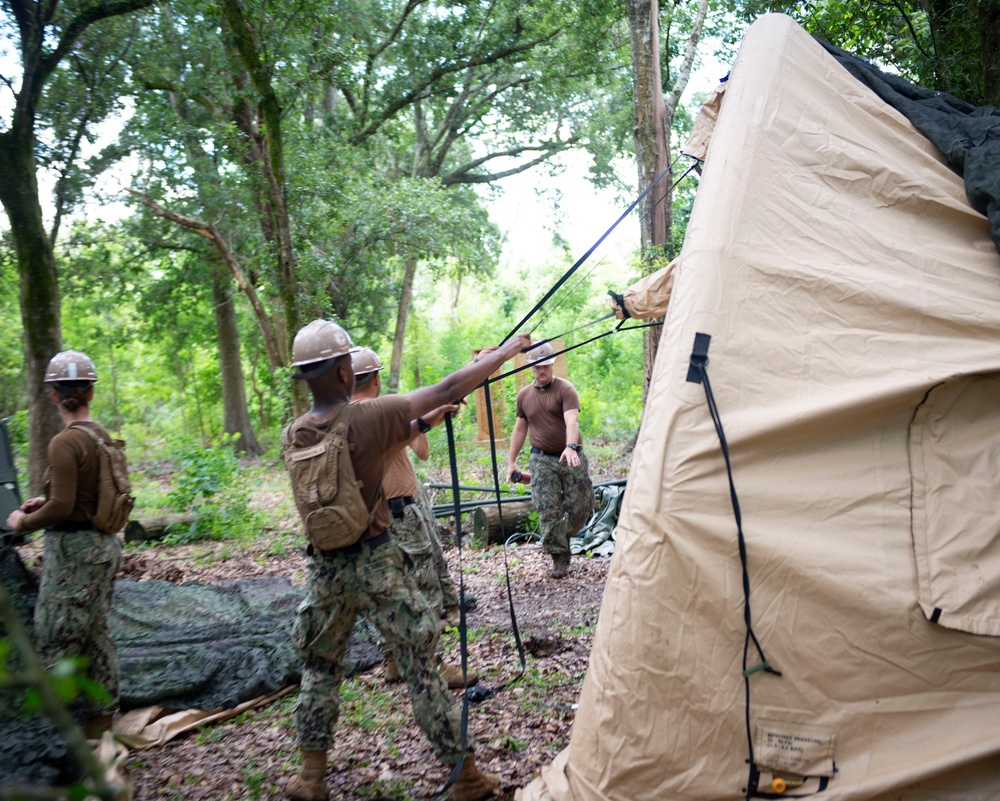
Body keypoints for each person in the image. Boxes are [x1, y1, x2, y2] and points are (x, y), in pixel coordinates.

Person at [281, 319, 530, 801]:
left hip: (323, 570)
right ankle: (466, 779)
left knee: (320, 668)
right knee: (420, 666)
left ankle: (310, 777)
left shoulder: (295, 433)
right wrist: (503, 354)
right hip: (375, 564)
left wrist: (429, 420)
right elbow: (448, 385)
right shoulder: (365, 416)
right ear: (341, 373)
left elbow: (378, 448)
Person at [5, 350, 125, 738]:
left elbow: (63, 506)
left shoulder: (63, 443)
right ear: (91, 393)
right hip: (104, 548)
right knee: (95, 633)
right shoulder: (101, 436)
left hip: (73, 554)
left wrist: (23, 519)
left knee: (56, 636)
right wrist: (50, 501)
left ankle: (55, 739)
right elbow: (82, 496)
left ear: (54, 396)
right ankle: (101, 725)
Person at [349, 346, 470, 688]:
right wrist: (431, 414)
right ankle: (432, 664)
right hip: (398, 514)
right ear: (374, 378)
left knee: (384, 592)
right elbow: (419, 441)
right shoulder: (382, 412)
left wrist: (427, 419)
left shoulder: (344, 418)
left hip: (367, 521)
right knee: (423, 588)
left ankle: (391, 660)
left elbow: (420, 449)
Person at [506, 341, 593, 578]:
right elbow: (520, 430)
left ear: (551, 365)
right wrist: (512, 461)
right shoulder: (524, 396)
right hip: (541, 459)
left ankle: (561, 536)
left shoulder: (565, 389)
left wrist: (571, 446)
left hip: (570, 455)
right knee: (547, 508)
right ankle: (559, 556)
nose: (541, 371)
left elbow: (571, 421)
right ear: (531, 369)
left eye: (545, 366)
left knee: (581, 506)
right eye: (536, 367)